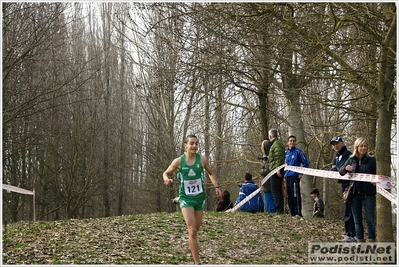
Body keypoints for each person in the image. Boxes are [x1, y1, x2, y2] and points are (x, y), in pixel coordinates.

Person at [163, 134, 222, 265]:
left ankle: (192, 245)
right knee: (193, 230)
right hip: (185, 199)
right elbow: (165, 172)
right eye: (192, 143)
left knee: (195, 231)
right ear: (185, 145)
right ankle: (197, 262)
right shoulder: (178, 161)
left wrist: (216, 187)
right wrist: (166, 179)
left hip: (200, 199)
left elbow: (211, 173)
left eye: (196, 143)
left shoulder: (202, 160)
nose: (194, 146)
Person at [339, 137, 376, 243]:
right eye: (361, 146)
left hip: (369, 193)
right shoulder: (351, 159)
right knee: (357, 220)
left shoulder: (372, 160)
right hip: (355, 193)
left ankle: (372, 240)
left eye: (365, 146)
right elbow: (341, 171)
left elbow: (377, 174)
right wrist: (346, 169)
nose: (363, 148)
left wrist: (376, 181)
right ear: (357, 147)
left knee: (370, 219)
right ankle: (360, 241)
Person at [329, 136, 355, 242]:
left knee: (350, 210)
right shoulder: (336, 155)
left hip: (350, 184)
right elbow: (332, 168)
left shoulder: (348, 154)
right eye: (333, 144)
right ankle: (350, 234)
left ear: (342, 143)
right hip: (343, 185)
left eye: (337, 143)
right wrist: (337, 169)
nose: (335, 146)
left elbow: (343, 169)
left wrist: (339, 169)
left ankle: (351, 235)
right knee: (347, 208)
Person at [284, 135, 309, 217]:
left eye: (294, 141)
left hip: (295, 176)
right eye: (290, 141)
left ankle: (298, 213)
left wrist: (301, 173)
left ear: (295, 142)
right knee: (289, 195)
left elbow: (306, 163)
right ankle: (292, 213)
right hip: (287, 176)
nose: (292, 142)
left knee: (295, 195)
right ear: (288, 142)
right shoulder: (286, 153)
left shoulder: (299, 152)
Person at [267, 129, 286, 214]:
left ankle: (279, 210)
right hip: (276, 168)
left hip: (276, 169)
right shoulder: (277, 143)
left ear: (270, 136)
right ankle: (280, 209)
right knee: (277, 190)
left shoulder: (276, 144)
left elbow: (279, 157)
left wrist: (278, 169)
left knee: (275, 190)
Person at [259, 140, 276, 213]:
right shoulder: (267, 156)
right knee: (267, 202)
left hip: (268, 184)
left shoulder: (270, 156)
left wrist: (261, 171)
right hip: (266, 184)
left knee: (270, 204)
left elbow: (268, 169)